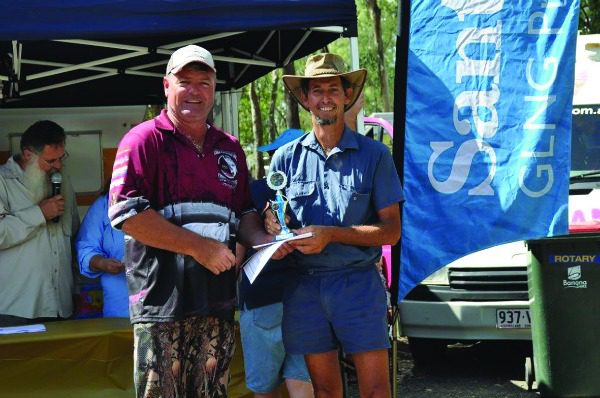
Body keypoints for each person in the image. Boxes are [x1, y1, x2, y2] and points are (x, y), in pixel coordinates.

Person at [107, 44, 275, 398]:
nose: (195, 91)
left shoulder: (229, 148)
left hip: (217, 302)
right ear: (167, 85)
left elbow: (242, 212)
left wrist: (264, 241)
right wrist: (200, 248)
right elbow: (126, 215)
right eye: (185, 81)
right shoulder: (142, 141)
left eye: (205, 82)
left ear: (214, 90)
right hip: (160, 305)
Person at [265, 53, 404, 397]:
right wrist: (272, 226)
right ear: (305, 99)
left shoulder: (375, 156)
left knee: (375, 390)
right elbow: (275, 215)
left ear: (346, 96)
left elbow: (391, 231)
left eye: (333, 89)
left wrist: (331, 236)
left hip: (358, 284)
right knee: (325, 392)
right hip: (304, 287)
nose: (325, 97)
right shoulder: (285, 158)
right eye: (317, 90)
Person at [238, 128, 313, 398]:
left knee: (265, 390)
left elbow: (238, 250)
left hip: (263, 299)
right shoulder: (317, 192)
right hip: (309, 299)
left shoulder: (255, 191)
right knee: (302, 382)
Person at [0, 120, 80, 327]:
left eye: (62, 158)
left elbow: (73, 234)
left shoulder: (62, 181)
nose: (58, 166)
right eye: (51, 160)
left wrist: (76, 289)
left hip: (62, 305)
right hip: (18, 307)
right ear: (28, 154)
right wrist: (39, 214)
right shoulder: (3, 182)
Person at [75, 183, 127, 318]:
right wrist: (102, 263)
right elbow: (86, 249)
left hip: (163, 304)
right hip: (120, 308)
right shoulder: (104, 205)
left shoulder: (164, 202)